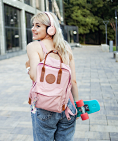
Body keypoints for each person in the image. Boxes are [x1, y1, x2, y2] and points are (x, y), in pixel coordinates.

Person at [25, 12, 79, 141]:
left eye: (38, 26)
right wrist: (77, 105)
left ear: (50, 29)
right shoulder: (66, 47)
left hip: (45, 108)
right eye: (33, 25)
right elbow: (74, 81)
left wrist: (28, 67)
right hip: (67, 107)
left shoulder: (34, 46)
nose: (33, 28)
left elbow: (34, 76)